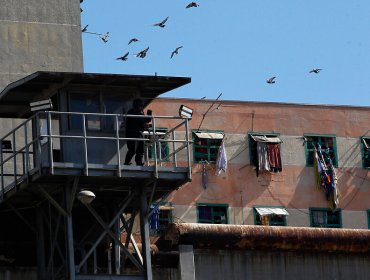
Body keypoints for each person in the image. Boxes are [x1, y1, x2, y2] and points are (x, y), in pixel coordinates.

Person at [124, 99, 152, 165]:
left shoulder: (140, 113)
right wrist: (144, 123)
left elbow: (145, 120)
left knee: (141, 149)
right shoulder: (131, 112)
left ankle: (139, 162)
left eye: (142, 106)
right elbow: (139, 120)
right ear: (136, 105)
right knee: (132, 150)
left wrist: (149, 114)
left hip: (139, 133)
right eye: (140, 106)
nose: (142, 107)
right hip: (131, 133)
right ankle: (126, 162)